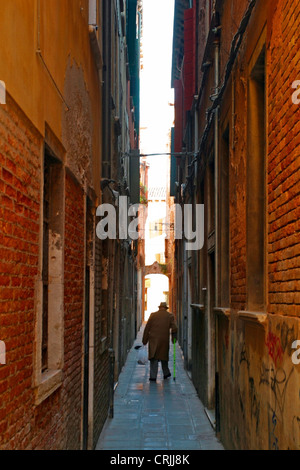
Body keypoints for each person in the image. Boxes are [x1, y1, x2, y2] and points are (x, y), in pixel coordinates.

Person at [142, 302, 178, 382]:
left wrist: (145, 340)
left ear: (159, 308)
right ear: (166, 308)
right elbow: (174, 328)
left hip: (153, 340)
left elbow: (147, 328)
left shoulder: (153, 315)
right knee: (164, 358)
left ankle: (153, 376)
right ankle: (166, 373)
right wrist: (174, 338)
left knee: (153, 358)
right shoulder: (170, 316)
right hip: (164, 340)